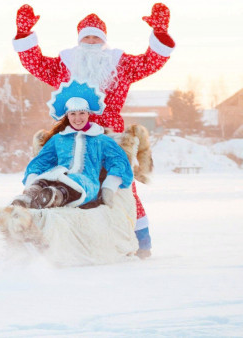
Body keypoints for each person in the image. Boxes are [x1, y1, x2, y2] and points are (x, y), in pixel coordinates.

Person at [12, 3, 175, 258]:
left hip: (110, 135)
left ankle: (142, 243)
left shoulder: (120, 64)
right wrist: (24, 33)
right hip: (71, 136)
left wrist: (161, 32)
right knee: (67, 182)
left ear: (104, 40)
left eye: (96, 36)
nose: (91, 41)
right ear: (78, 41)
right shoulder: (64, 65)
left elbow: (151, 62)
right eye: (86, 36)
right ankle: (66, 242)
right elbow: (35, 63)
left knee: (122, 188)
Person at [13, 80, 133, 210]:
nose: (78, 118)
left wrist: (109, 186)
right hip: (58, 175)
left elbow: (119, 161)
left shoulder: (100, 139)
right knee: (46, 178)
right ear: (67, 116)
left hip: (86, 182)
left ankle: (55, 196)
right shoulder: (58, 139)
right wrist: (32, 180)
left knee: (74, 182)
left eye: (82, 113)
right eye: (73, 114)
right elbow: (41, 161)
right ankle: (29, 196)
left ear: (88, 114)